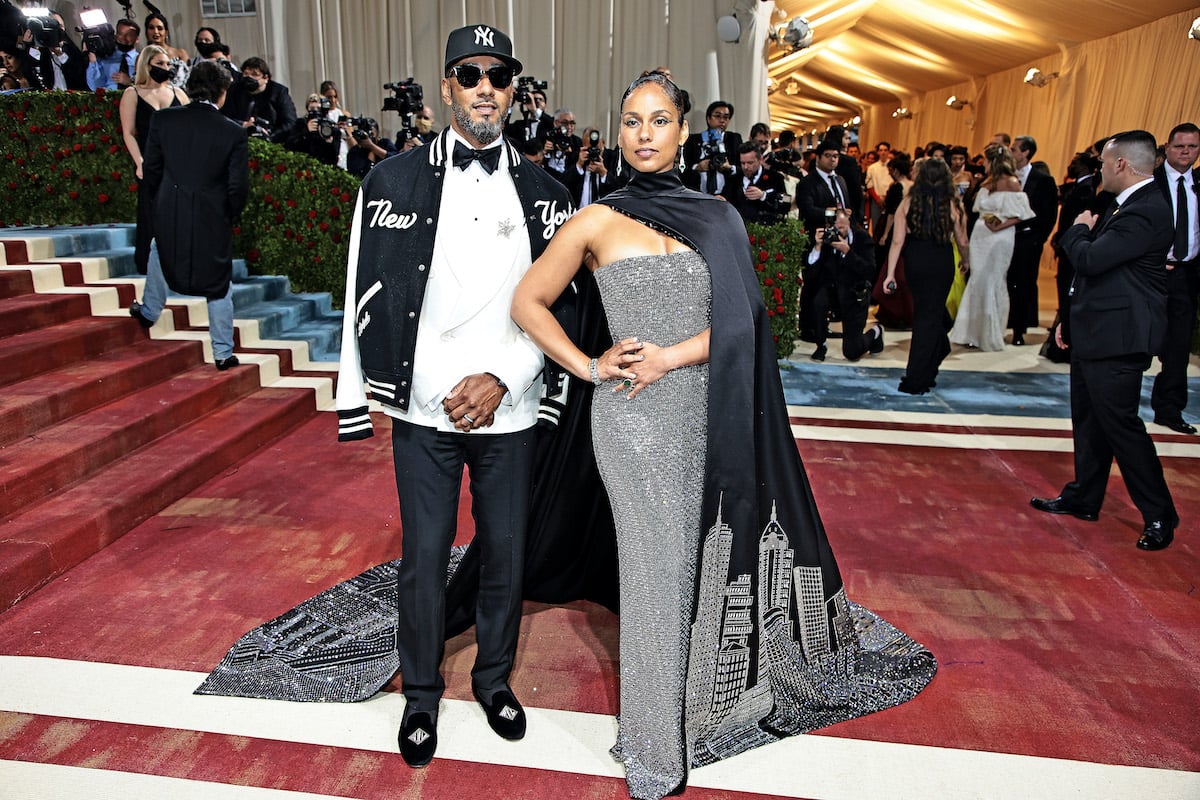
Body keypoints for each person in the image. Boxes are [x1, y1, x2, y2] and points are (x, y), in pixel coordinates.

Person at [511, 70, 934, 800]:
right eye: (632, 120)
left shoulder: (719, 217)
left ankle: (699, 701)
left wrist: (673, 355)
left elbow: (747, 325)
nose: (644, 134)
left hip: (711, 412)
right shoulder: (594, 221)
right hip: (633, 422)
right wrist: (587, 364)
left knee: (698, 566)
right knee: (653, 574)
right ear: (620, 131)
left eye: (659, 120)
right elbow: (528, 301)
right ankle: (652, 746)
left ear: (684, 130)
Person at [333, 24, 574, 769]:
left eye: (498, 77)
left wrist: (505, 377)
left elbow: (561, 309)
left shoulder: (549, 193)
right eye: (469, 75)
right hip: (422, 408)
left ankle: (495, 680)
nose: (484, 90)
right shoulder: (387, 183)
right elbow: (359, 292)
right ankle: (423, 694)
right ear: (446, 86)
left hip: (513, 403)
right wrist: (355, 397)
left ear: (513, 92)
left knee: (506, 555)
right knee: (424, 556)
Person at [1030, 130, 1179, 552]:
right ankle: (1084, 497)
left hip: (1120, 337)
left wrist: (1076, 230)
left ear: (1121, 165)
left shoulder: (1146, 209)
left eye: (1103, 164)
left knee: (1122, 428)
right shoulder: (1127, 205)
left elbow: (1092, 260)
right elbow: (1103, 275)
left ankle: (1159, 515)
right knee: (1090, 422)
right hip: (1098, 330)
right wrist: (1070, 321)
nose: (1098, 171)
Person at [129, 59, 247, 371]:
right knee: (219, 283)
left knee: (159, 248)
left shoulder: (164, 120)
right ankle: (222, 354)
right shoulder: (233, 132)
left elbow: (151, 170)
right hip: (212, 215)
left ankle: (150, 311)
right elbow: (237, 188)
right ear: (222, 93)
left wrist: (161, 202)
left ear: (191, 86)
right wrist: (227, 214)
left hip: (171, 206)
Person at [883, 157, 970, 394]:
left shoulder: (909, 201)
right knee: (928, 317)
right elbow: (962, 239)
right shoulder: (952, 203)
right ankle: (920, 375)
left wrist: (890, 273)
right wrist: (966, 259)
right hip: (941, 262)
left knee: (928, 315)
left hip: (916, 262)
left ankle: (928, 363)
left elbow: (897, 240)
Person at [949, 144, 1034, 351]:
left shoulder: (1012, 183)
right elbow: (977, 209)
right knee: (977, 280)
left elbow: (1021, 214)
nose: (983, 163)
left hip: (1000, 237)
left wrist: (1000, 225)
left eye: (986, 160)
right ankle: (970, 332)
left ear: (993, 161)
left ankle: (990, 333)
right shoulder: (986, 182)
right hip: (980, 234)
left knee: (992, 279)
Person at [118, 44, 188, 274]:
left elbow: (193, 127)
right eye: (160, 64)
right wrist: (139, 161)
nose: (165, 68)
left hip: (178, 164)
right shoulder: (133, 93)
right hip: (150, 164)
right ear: (146, 65)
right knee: (151, 214)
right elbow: (128, 132)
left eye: (168, 64)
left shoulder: (178, 93)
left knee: (179, 214)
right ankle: (150, 265)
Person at [1149, 122, 1200, 434]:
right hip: (1150, 274)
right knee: (1138, 341)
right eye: (1180, 146)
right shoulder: (1148, 183)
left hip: (1186, 276)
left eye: (1192, 147)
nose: (1186, 152)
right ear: (1166, 148)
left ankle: (1169, 410)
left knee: (1178, 348)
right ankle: (1118, 408)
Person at [807, 207, 885, 360]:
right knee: (818, 300)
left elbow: (869, 271)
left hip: (855, 294)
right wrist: (817, 246)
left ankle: (876, 332)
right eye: (836, 226)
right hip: (833, 291)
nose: (838, 230)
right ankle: (821, 345)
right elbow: (811, 273)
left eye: (842, 226)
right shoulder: (827, 239)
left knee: (852, 352)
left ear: (850, 223)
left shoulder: (862, 238)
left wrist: (848, 252)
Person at [1007, 135, 1059, 345]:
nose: (1011, 153)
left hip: (1028, 240)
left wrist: (1038, 238)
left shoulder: (1043, 180)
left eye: (1014, 149)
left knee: (1023, 285)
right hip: (1002, 238)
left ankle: (1018, 330)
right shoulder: (1004, 176)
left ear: (1025, 152)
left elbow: (1049, 213)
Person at [221, 56, 296, 141]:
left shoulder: (279, 92)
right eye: (246, 74)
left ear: (266, 78)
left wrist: (270, 136)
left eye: (255, 75)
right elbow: (224, 116)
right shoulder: (234, 90)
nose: (249, 78)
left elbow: (289, 122)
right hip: (240, 138)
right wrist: (242, 125)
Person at [722, 141, 787, 226]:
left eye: (750, 163)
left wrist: (764, 196)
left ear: (760, 159)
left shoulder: (776, 178)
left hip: (767, 230)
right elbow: (725, 201)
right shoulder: (733, 179)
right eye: (743, 163)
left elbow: (786, 204)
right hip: (739, 230)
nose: (745, 167)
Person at [85, 17, 138, 91]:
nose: (123, 38)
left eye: (128, 35)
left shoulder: (142, 59)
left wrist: (131, 82)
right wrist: (93, 61)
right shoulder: (106, 56)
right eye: (120, 34)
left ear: (137, 39)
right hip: (109, 99)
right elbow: (95, 86)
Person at [143, 7, 189, 87]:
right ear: (146, 31)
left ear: (166, 32)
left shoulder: (180, 53)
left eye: (160, 28)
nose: (156, 32)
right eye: (151, 28)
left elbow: (190, 79)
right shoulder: (142, 57)